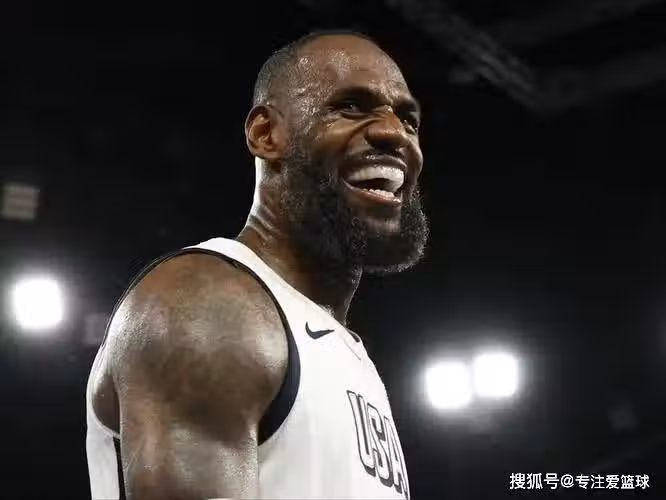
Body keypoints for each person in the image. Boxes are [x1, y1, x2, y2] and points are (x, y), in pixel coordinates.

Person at [86, 29, 428, 500]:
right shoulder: (209, 306)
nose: (394, 133)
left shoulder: (337, 346)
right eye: (352, 107)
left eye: (408, 119)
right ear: (266, 134)